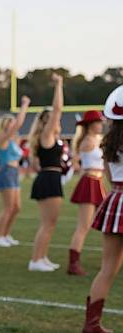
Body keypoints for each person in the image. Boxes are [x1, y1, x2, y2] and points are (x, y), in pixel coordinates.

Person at [83, 86, 123, 333]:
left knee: (107, 267)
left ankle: (92, 322)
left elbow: (109, 176)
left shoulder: (109, 143)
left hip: (116, 198)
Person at [28, 74, 64, 272]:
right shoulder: (47, 135)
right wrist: (59, 84)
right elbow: (57, 110)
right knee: (48, 223)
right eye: (53, 119)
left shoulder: (50, 137)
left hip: (50, 178)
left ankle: (42, 258)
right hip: (49, 179)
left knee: (50, 223)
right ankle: (36, 260)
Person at [67, 110, 106, 275]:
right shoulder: (88, 141)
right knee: (83, 226)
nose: (101, 124)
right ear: (90, 125)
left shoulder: (97, 140)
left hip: (98, 182)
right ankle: (73, 264)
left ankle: (108, 261)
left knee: (106, 226)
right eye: (98, 122)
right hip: (90, 182)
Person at [0, 96, 30, 247]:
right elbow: (19, 123)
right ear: (5, 126)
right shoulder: (3, 138)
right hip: (6, 172)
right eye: (10, 124)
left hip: (13, 173)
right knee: (8, 208)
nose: (14, 126)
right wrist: (25, 105)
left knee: (16, 207)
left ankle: (5, 235)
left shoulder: (13, 141)